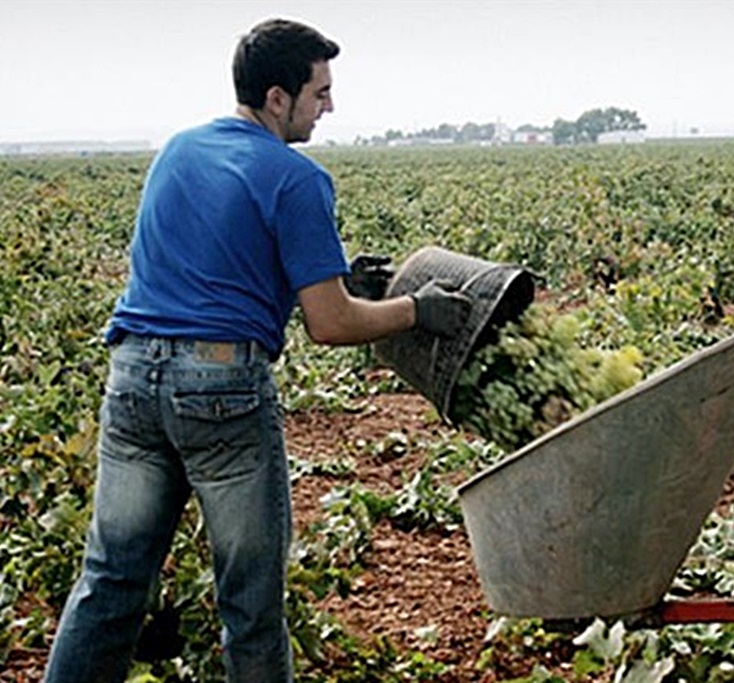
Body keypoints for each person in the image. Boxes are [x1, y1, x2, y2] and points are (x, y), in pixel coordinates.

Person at [44, 18, 472, 683]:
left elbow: (212, 267)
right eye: (320, 91)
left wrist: (330, 274)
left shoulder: (178, 151)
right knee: (250, 600)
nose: (329, 106)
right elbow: (330, 324)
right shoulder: (296, 177)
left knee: (111, 579)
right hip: (218, 390)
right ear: (278, 97)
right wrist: (418, 308)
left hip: (131, 379)